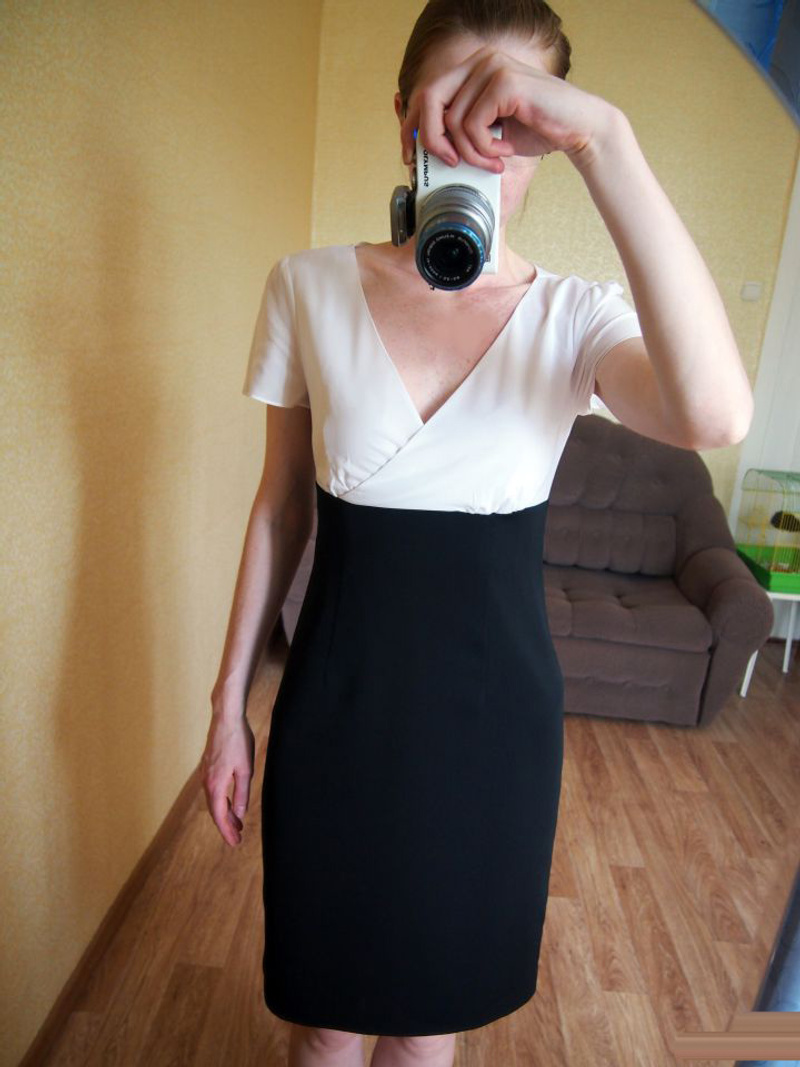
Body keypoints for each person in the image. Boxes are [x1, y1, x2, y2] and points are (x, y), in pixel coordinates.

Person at [200, 2, 754, 1065]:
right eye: (452, 110)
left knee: (426, 1030)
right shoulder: (306, 285)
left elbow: (715, 414)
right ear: (402, 116)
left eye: (514, 124)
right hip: (337, 713)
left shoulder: (574, 317)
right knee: (323, 1022)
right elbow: (278, 508)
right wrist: (228, 707)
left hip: (490, 729)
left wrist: (607, 139)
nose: (478, 146)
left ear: (550, 140)